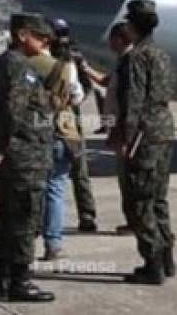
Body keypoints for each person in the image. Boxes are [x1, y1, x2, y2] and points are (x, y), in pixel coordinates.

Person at [0, 13, 56, 302]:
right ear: (22, 35)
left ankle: (6, 280)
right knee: (25, 218)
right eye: (40, 35)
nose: (46, 41)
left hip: (13, 155)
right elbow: (13, 113)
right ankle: (20, 281)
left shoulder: (4, 65)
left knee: (10, 218)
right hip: (24, 158)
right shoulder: (19, 67)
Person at [113, 0, 177, 285]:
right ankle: (166, 258)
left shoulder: (136, 57)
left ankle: (152, 264)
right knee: (159, 198)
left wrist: (125, 137)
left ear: (132, 25)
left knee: (139, 199)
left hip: (144, 134)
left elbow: (134, 100)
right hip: (163, 129)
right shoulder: (161, 54)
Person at [30, 24, 84, 261]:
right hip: (61, 129)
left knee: (32, 187)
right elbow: (78, 96)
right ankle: (53, 243)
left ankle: (28, 236)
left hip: (33, 130)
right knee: (55, 188)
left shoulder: (24, 64)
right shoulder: (66, 67)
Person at [80, 21, 135, 235]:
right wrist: (85, 69)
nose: (109, 44)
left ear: (120, 40)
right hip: (118, 127)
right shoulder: (123, 62)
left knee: (130, 178)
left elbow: (131, 103)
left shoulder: (131, 63)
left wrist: (123, 136)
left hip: (125, 130)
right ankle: (133, 220)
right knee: (126, 178)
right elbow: (106, 82)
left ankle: (136, 222)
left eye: (112, 39)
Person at [49, 18, 98, 233]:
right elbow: (86, 87)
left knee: (67, 172)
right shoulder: (74, 56)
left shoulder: (53, 57)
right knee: (79, 171)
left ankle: (86, 215)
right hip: (69, 117)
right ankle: (87, 215)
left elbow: (85, 86)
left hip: (60, 116)